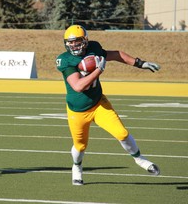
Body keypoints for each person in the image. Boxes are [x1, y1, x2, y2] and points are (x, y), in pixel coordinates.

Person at [56, 25, 161, 186]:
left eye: (77, 42)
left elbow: (116, 54)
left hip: (98, 103)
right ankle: (77, 167)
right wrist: (98, 70)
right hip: (77, 111)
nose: (74, 46)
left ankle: (140, 160)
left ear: (85, 41)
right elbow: (78, 86)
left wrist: (140, 63)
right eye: (70, 43)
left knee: (122, 133)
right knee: (80, 145)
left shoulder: (94, 48)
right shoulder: (65, 60)